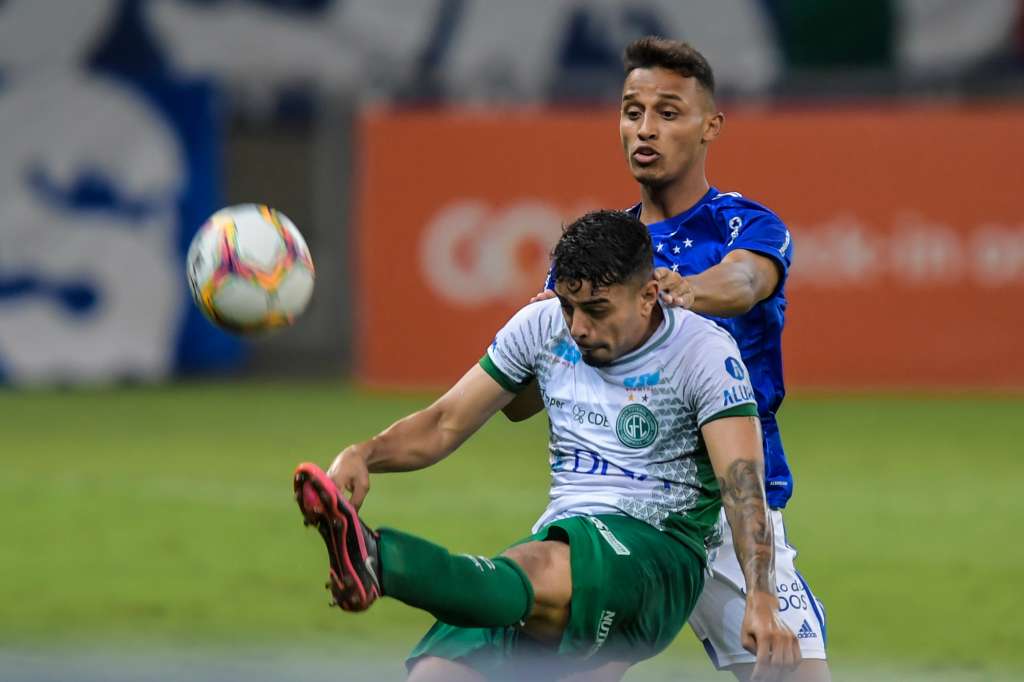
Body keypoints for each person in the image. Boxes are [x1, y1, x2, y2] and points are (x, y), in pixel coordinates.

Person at [294, 210, 799, 682]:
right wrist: (363, 454)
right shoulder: (543, 327)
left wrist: (761, 597)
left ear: (648, 295)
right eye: (568, 305)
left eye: (597, 309)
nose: (578, 327)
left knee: (534, 565)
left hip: (660, 555)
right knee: (437, 673)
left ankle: (378, 561)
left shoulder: (703, 351)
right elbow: (443, 422)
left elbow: (742, 482)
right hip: (565, 540)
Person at [507, 37, 830, 681]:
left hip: (735, 511)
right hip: (624, 505)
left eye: (668, 112)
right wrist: (543, 332)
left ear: (711, 126)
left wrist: (681, 291)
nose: (645, 129)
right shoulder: (602, 252)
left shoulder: (746, 226)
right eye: (632, 112)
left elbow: (744, 284)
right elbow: (519, 404)